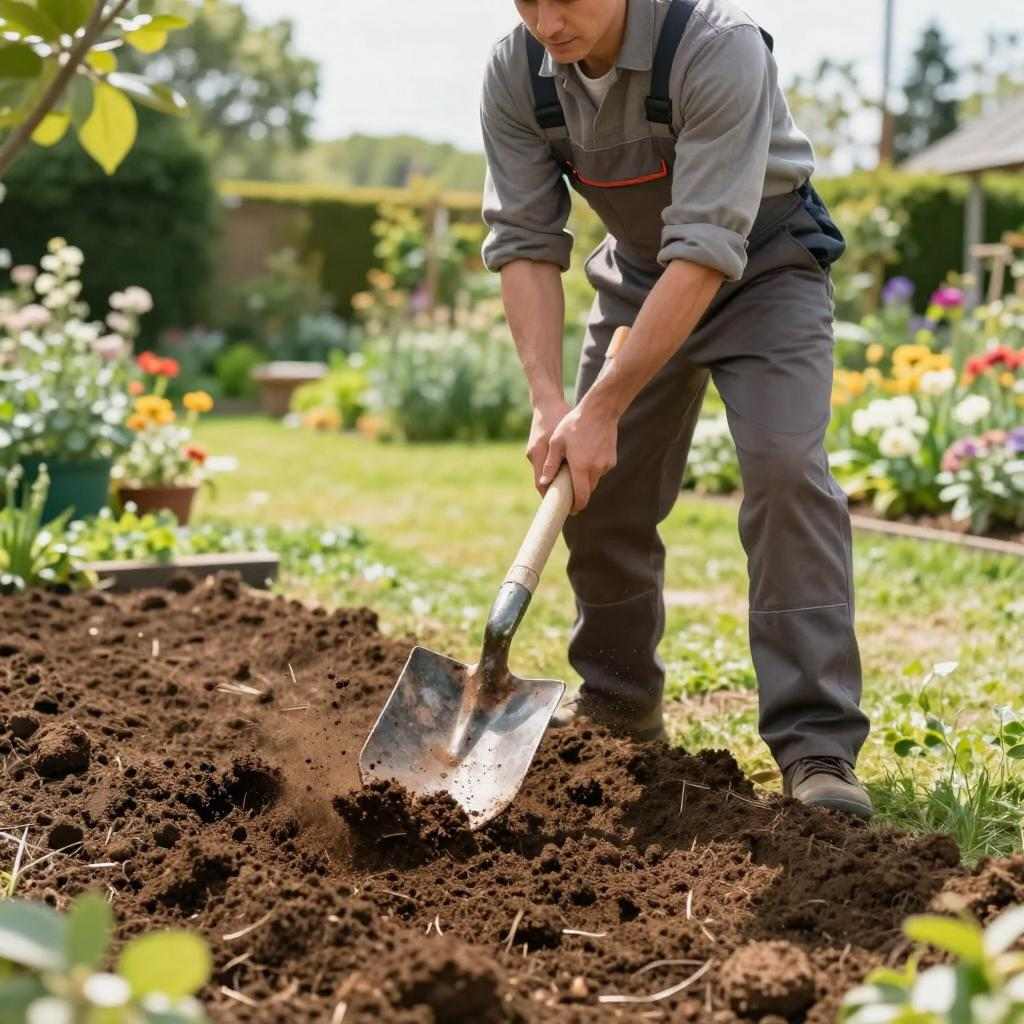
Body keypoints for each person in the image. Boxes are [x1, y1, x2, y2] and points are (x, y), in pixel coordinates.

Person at [479, 0, 873, 818]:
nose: (546, 21)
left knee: (785, 468)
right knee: (596, 487)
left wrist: (605, 404)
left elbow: (706, 247)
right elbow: (524, 241)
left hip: (765, 269)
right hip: (638, 274)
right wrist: (553, 404)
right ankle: (620, 706)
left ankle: (817, 745)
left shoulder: (717, 48)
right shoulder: (517, 72)